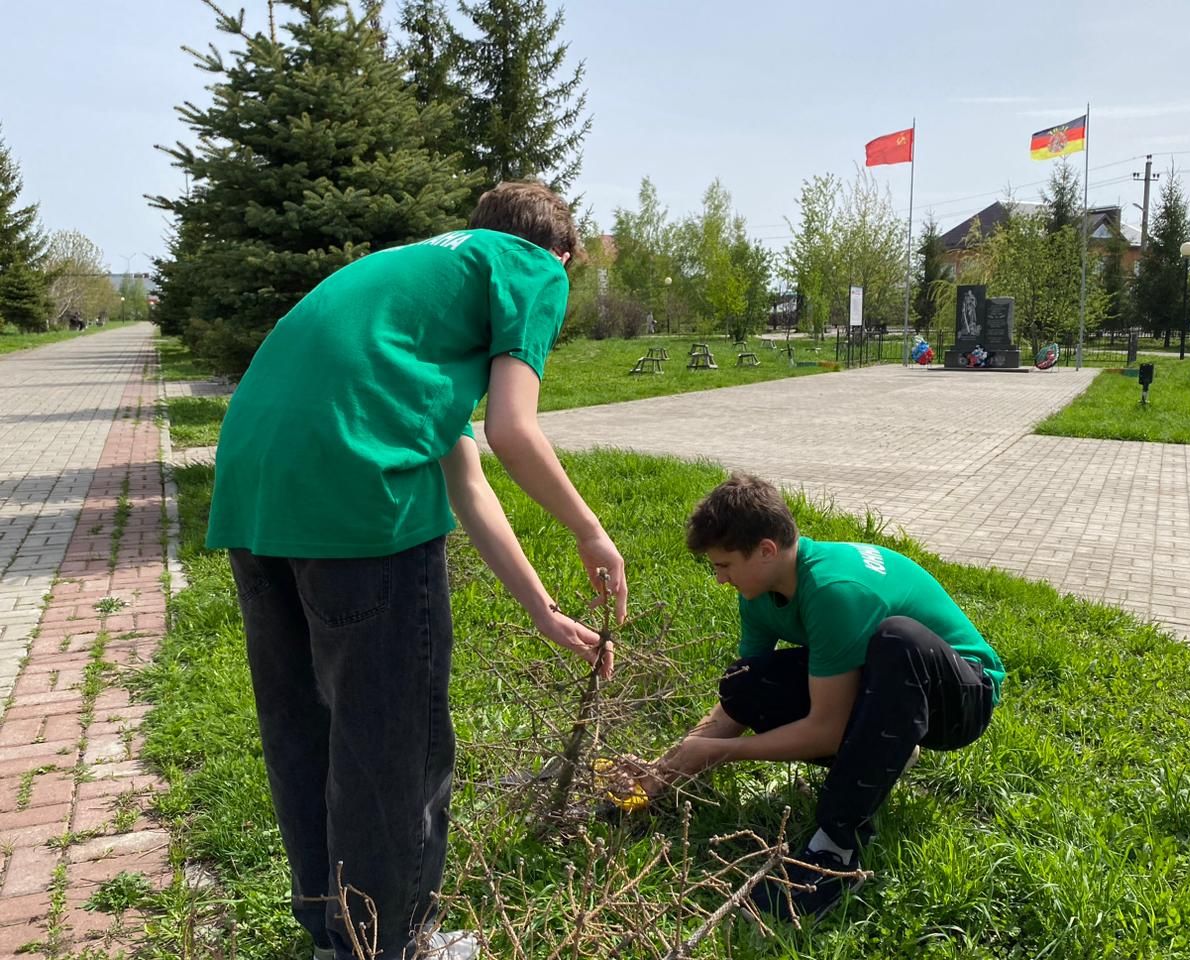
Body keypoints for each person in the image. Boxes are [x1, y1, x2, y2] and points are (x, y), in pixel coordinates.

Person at [205, 181, 627, 960]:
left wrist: (538, 606)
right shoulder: (534, 267)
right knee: (394, 746)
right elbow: (512, 429)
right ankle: (392, 942)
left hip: (253, 487)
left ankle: (333, 926)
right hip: (357, 491)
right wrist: (590, 531)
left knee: (304, 722)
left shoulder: (416, 283)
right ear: (560, 255)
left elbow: (463, 474)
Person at [624, 473, 1003, 923]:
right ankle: (890, 752)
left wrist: (723, 753)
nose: (720, 579)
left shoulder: (833, 590)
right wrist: (668, 767)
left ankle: (835, 850)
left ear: (766, 550)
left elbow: (825, 732)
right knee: (746, 681)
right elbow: (742, 702)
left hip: (960, 697)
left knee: (897, 640)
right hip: (889, 687)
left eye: (724, 565)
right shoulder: (760, 590)